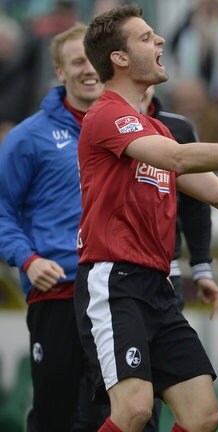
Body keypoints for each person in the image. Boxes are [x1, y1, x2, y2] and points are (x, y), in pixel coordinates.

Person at [74, 5, 218, 432]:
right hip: (115, 283)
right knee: (133, 410)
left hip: (158, 288)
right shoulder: (106, 115)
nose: (160, 40)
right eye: (145, 37)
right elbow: (179, 157)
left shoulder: (156, 130)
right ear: (119, 58)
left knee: (203, 416)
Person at [0, 23, 109, 432]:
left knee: (124, 413)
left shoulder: (128, 131)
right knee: (55, 415)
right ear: (60, 73)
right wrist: (27, 261)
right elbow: (2, 211)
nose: (87, 69)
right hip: (57, 293)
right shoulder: (27, 138)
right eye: (76, 62)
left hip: (116, 292)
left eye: (92, 59)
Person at [138, 85, 218, 431]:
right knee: (128, 407)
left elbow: (205, 198)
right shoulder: (101, 123)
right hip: (111, 279)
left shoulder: (177, 128)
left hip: (165, 276)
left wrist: (201, 266)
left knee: (180, 410)